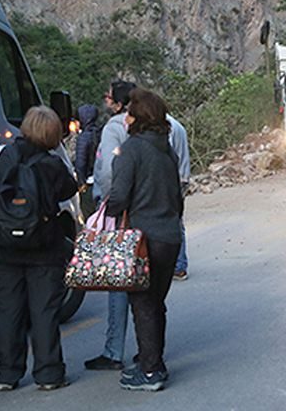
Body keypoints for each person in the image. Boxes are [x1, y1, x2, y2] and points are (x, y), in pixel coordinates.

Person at [0, 106, 78, 391]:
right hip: (44, 247)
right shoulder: (52, 165)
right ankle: (49, 373)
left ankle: (6, 373)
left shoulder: (3, 156)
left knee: (8, 310)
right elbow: (69, 190)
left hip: (5, 246)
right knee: (44, 311)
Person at [105, 88, 183, 391]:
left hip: (144, 237)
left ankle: (150, 371)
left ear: (137, 117)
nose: (126, 117)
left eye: (130, 111)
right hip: (169, 235)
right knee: (155, 302)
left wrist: (109, 210)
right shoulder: (167, 149)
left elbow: (119, 195)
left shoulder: (132, 149)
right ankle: (152, 360)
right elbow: (177, 196)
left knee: (142, 303)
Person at [85, 80, 137, 371]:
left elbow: (107, 173)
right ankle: (150, 351)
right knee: (147, 284)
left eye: (108, 97)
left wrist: (109, 205)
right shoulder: (169, 125)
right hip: (155, 213)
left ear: (119, 104)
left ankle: (114, 351)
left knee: (119, 282)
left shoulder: (114, 128)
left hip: (122, 214)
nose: (105, 101)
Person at [167, 115, 191, 281]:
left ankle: (179, 265)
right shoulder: (177, 125)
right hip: (181, 177)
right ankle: (179, 265)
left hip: (173, 180)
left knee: (174, 222)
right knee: (177, 220)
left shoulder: (166, 128)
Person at [74, 103, 100, 188]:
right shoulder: (99, 133)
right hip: (99, 176)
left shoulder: (83, 138)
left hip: (89, 179)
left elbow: (80, 163)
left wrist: (81, 183)